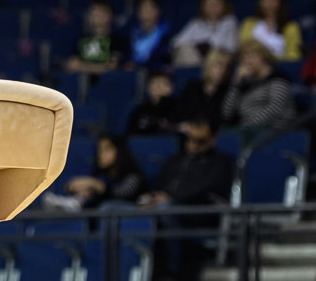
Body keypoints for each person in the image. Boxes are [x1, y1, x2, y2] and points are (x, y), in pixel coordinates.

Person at [139, 118, 235, 281]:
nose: (194, 145)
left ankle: (171, 272)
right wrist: (151, 197)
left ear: (213, 140)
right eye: (190, 140)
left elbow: (208, 188)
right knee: (112, 209)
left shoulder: (221, 162)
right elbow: (158, 185)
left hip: (198, 213)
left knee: (165, 209)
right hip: (165, 208)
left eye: (200, 141)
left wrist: (171, 198)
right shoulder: (174, 160)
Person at [45, 134, 146, 211]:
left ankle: (75, 204)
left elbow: (122, 194)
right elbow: (71, 186)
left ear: (119, 151)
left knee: (106, 207)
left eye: (107, 150)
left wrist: (97, 186)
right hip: (99, 212)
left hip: (127, 215)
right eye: (100, 151)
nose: (101, 155)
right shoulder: (101, 175)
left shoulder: (134, 175)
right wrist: (78, 188)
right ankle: (73, 202)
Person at [220, 41, 296, 129]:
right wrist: (235, 84)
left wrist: (246, 128)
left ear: (263, 57)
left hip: (274, 133)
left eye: (251, 56)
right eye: (243, 58)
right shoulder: (245, 85)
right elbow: (226, 113)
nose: (246, 62)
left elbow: (274, 109)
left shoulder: (278, 79)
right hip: (248, 133)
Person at [172, 0, 239, 67]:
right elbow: (176, 43)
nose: (213, 6)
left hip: (221, 62)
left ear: (224, 5)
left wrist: (209, 47)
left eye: (217, 3)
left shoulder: (230, 22)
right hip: (197, 62)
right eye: (209, 3)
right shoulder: (196, 24)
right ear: (203, 6)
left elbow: (231, 49)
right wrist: (198, 46)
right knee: (184, 49)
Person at [62, 0, 129, 73]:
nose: (95, 15)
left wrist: (82, 66)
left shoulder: (117, 40)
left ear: (110, 15)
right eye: (93, 11)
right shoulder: (81, 39)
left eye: (100, 12)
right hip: (82, 82)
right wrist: (98, 67)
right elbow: (72, 65)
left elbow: (111, 66)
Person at [238, 0, 302, 60]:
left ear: (280, 1)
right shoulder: (248, 23)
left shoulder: (291, 27)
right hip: (249, 66)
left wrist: (267, 58)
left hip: (277, 69)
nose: (268, 3)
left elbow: (293, 57)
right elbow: (242, 50)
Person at [175, 50, 232, 130]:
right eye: (218, 67)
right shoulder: (192, 87)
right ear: (209, 66)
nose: (222, 71)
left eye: (226, 68)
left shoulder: (228, 91)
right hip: (188, 134)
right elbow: (180, 114)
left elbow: (222, 118)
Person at [128, 0, 173, 71]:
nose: (147, 10)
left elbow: (163, 57)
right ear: (137, 11)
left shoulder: (165, 32)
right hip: (134, 73)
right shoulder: (131, 32)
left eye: (151, 7)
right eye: (143, 6)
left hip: (157, 72)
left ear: (159, 11)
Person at [126, 71, 178, 135]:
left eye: (164, 84)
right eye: (155, 83)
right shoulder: (140, 110)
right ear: (148, 88)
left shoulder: (179, 107)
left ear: (172, 87)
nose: (159, 88)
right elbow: (132, 133)